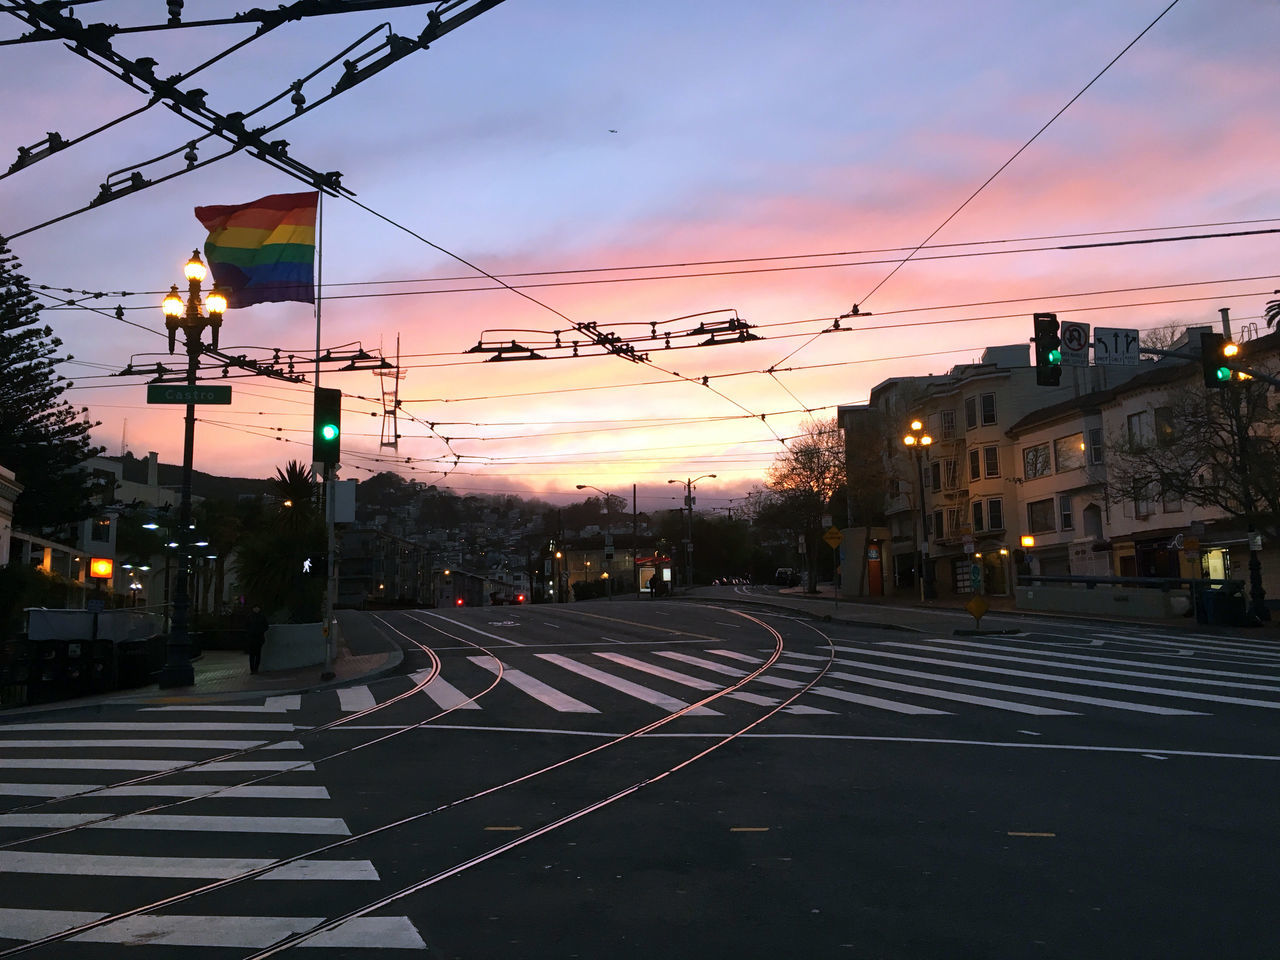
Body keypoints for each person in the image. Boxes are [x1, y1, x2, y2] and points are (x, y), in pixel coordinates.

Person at [246, 606, 269, 674]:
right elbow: (246, 626)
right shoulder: (249, 617)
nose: (256, 609)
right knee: (252, 655)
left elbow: (266, 626)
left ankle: (256, 669)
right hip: (252, 638)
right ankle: (252, 669)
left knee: (258, 654)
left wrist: (260, 631)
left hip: (259, 638)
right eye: (255, 608)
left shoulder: (262, 617)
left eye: (257, 607)